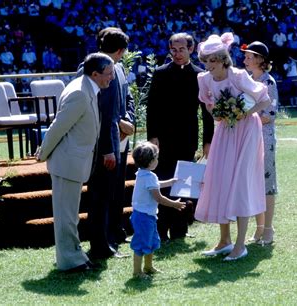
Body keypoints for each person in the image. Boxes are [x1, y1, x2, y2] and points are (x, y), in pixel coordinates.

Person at [35, 53, 115, 272]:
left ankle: (76, 255)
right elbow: (58, 126)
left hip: (75, 162)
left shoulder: (86, 87)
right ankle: (70, 262)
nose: (111, 78)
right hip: (67, 163)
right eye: (108, 74)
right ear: (95, 74)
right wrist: (42, 153)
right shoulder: (80, 92)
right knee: (66, 217)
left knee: (70, 216)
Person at [195, 33, 271, 261]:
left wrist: (242, 113)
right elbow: (208, 105)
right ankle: (224, 240)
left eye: (213, 60)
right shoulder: (205, 79)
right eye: (206, 60)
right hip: (225, 131)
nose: (209, 65)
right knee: (220, 179)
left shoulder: (237, 75)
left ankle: (240, 244)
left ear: (222, 58)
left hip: (247, 131)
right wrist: (218, 111)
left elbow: (264, 100)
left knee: (240, 182)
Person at [146, 32, 214, 241]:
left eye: (182, 49)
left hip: (188, 137)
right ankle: (161, 228)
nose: (177, 54)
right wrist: (153, 136)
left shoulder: (200, 75)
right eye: (173, 50)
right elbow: (152, 108)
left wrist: (207, 141)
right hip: (163, 139)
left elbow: (206, 111)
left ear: (191, 50)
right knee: (164, 182)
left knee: (184, 184)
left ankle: (180, 228)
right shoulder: (160, 73)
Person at [79, 27, 135, 260]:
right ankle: (100, 245)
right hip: (104, 144)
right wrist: (107, 148)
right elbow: (97, 113)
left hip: (120, 139)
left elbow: (128, 98)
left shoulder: (120, 68)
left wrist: (128, 120)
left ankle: (113, 234)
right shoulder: (90, 68)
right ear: (121, 50)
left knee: (114, 192)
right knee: (100, 195)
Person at [130, 142, 186, 278]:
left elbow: (156, 184)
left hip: (144, 215)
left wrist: (170, 181)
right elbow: (158, 198)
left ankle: (148, 267)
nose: (157, 160)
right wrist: (174, 204)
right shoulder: (149, 176)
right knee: (141, 243)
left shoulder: (142, 174)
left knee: (150, 241)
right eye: (156, 158)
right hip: (144, 217)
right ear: (150, 162)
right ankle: (137, 272)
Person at [242, 41, 278, 245]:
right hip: (249, 136)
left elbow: (269, 114)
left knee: (267, 183)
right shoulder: (246, 80)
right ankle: (258, 228)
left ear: (260, 60)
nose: (245, 59)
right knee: (253, 184)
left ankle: (268, 228)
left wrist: (243, 117)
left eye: (249, 56)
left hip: (264, 137)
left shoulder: (268, 82)